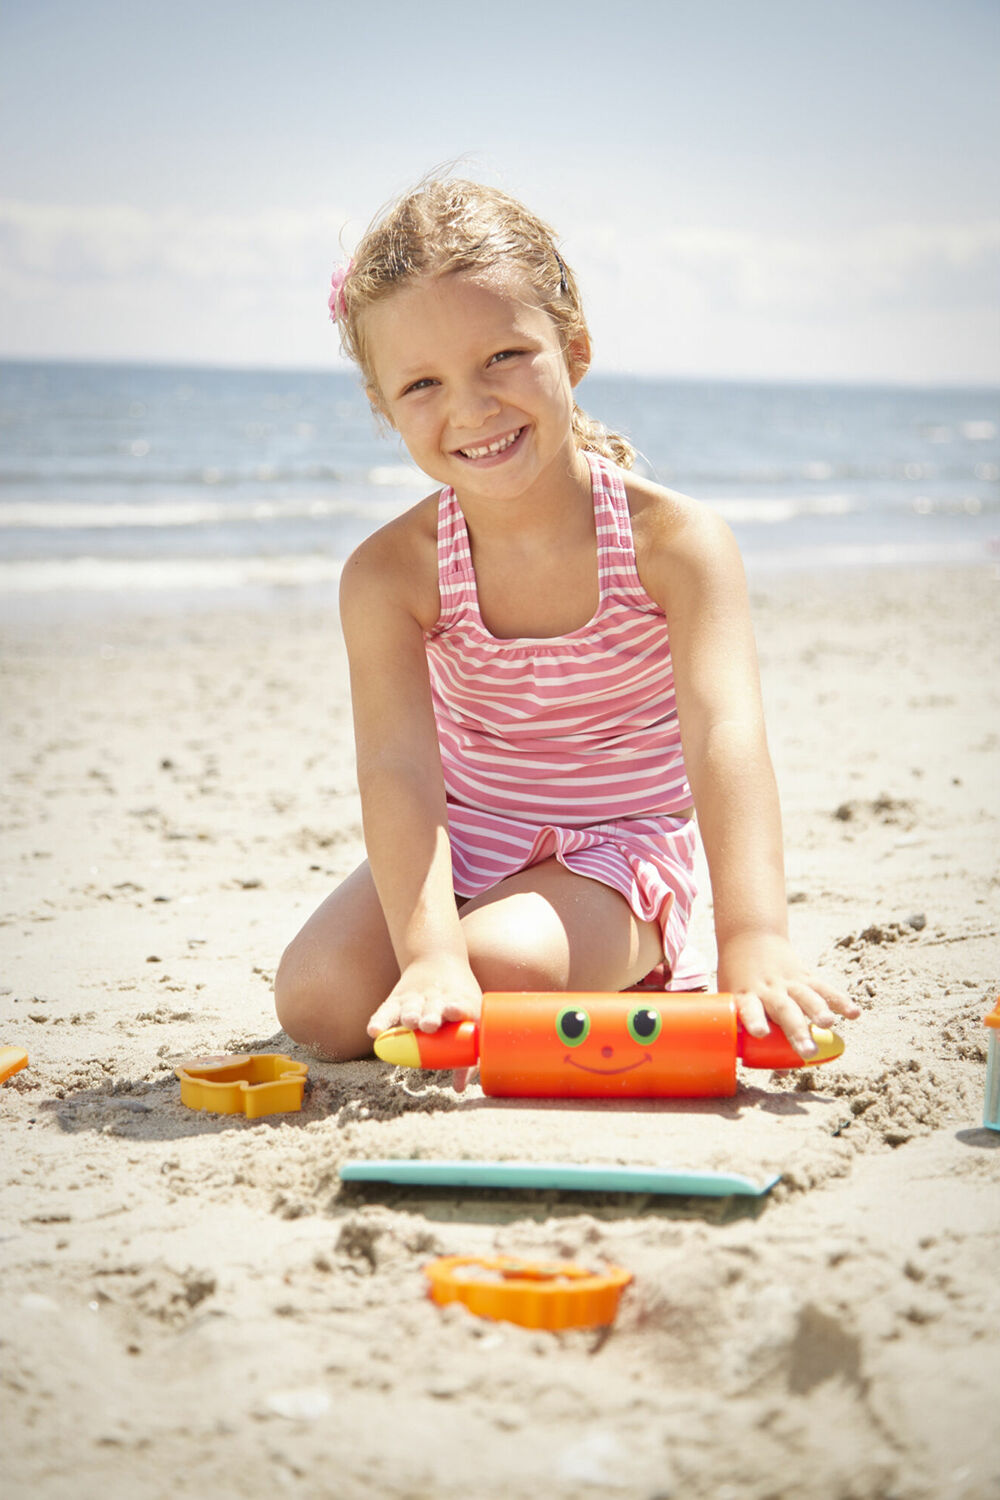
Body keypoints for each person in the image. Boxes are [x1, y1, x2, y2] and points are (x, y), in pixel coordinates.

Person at [274, 176, 859, 1088]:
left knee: (500, 968)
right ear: (386, 406)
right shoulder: (391, 573)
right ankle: (475, 942)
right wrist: (428, 954)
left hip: (617, 851)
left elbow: (725, 738)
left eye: (503, 356)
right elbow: (397, 767)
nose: (469, 407)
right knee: (317, 1000)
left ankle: (647, 958)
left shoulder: (677, 544)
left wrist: (757, 939)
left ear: (573, 349)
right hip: (467, 837)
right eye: (422, 383)